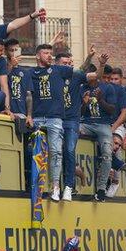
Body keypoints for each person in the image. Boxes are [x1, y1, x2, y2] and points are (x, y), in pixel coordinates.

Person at [55, 50, 104, 201]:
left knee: (69, 151)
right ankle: (55, 186)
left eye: (70, 63)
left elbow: (96, 76)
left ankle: (69, 186)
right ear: (57, 64)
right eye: (65, 63)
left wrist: (101, 64)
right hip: (54, 118)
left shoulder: (76, 75)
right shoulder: (51, 74)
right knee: (55, 152)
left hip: (71, 120)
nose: (69, 66)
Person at [30, 44, 73, 201]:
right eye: (45, 53)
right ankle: (38, 185)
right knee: (37, 153)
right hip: (37, 117)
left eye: (51, 53)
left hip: (55, 117)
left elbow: (82, 71)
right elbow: (28, 94)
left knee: (56, 152)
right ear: (37, 55)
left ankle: (55, 187)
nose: (49, 55)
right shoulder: (30, 72)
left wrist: (91, 58)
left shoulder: (59, 70)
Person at [80, 64, 117, 202]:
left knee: (107, 151)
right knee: (72, 133)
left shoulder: (108, 87)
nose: (88, 78)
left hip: (103, 124)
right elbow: (80, 113)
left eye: (90, 75)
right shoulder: (82, 88)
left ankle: (101, 188)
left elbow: (112, 110)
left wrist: (100, 99)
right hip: (86, 123)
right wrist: (84, 103)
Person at [5, 38, 33, 126]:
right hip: (6, 113)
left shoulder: (26, 72)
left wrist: (29, 115)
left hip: (22, 114)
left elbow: (28, 95)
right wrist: (11, 66)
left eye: (16, 50)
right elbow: (2, 81)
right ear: (6, 52)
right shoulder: (2, 68)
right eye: (11, 50)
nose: (14, 53)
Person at [109, 66, 126, 132]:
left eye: (116, 79)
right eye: (111, 79)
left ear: (121, 79)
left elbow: (124, 113)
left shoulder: (121, 90)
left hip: (117, 125)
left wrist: (113, 128)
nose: (113, 81)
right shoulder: (107, 89)